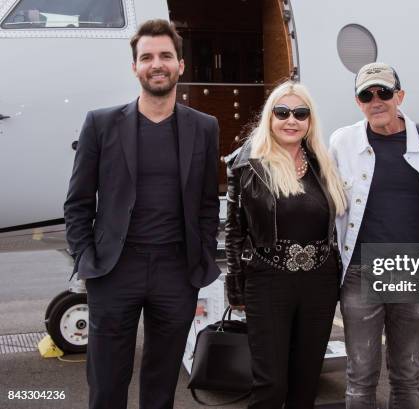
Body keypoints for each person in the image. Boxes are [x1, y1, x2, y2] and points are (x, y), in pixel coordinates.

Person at [63, 19, 220, 409]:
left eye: (166, 56)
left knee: (161, 382)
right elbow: (78, 202)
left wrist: (198, 259)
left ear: (180, 65)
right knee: (106, 382)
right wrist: (86, 260)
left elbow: (206, 203)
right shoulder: (101, 124)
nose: (157, 64)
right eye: (147, 57)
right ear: (134, 67)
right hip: (115, 269)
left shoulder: (204, 127)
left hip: (175, 271)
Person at [329, 62, 419, 409]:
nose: (376, 100)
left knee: (406, 375)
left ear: (400, 96)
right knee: (360, 377)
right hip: (360, 272)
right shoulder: (342, 142)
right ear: (358, 102)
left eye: (384, 92)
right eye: (367, 94)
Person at [224, 81, 347, 409]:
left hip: (320, 284)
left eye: (300, 113)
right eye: (282, 112)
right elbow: (234, 230)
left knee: (306, 384)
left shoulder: (323, 164)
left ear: (310, 120)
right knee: (271, 385)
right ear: (270, 117)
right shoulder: (249, 164)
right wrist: (235, 287)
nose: (291, 120)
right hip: (268, 281)